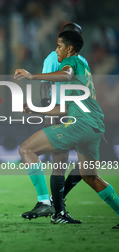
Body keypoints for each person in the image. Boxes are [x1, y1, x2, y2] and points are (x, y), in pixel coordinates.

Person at [14, 31, 119, 228]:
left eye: (59, 46)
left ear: (70, 48)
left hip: (80, 125)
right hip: (94, 126)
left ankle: (44, 202)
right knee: (90, 176)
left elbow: (65, 74)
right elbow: (67, 108)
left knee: (26, 149)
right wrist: (36, 109)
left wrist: (31, 75)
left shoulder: (71, 62)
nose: (56, 51)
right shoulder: (85, 69)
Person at [21, 23, 86, 221]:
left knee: (86, 165)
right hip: (60, 113)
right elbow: (45, 85)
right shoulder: (53, 57)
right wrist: (46, 111)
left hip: (77, 114)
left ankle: (53, 202)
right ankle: (56, 208)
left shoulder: (79, 60)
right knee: (61, 163)